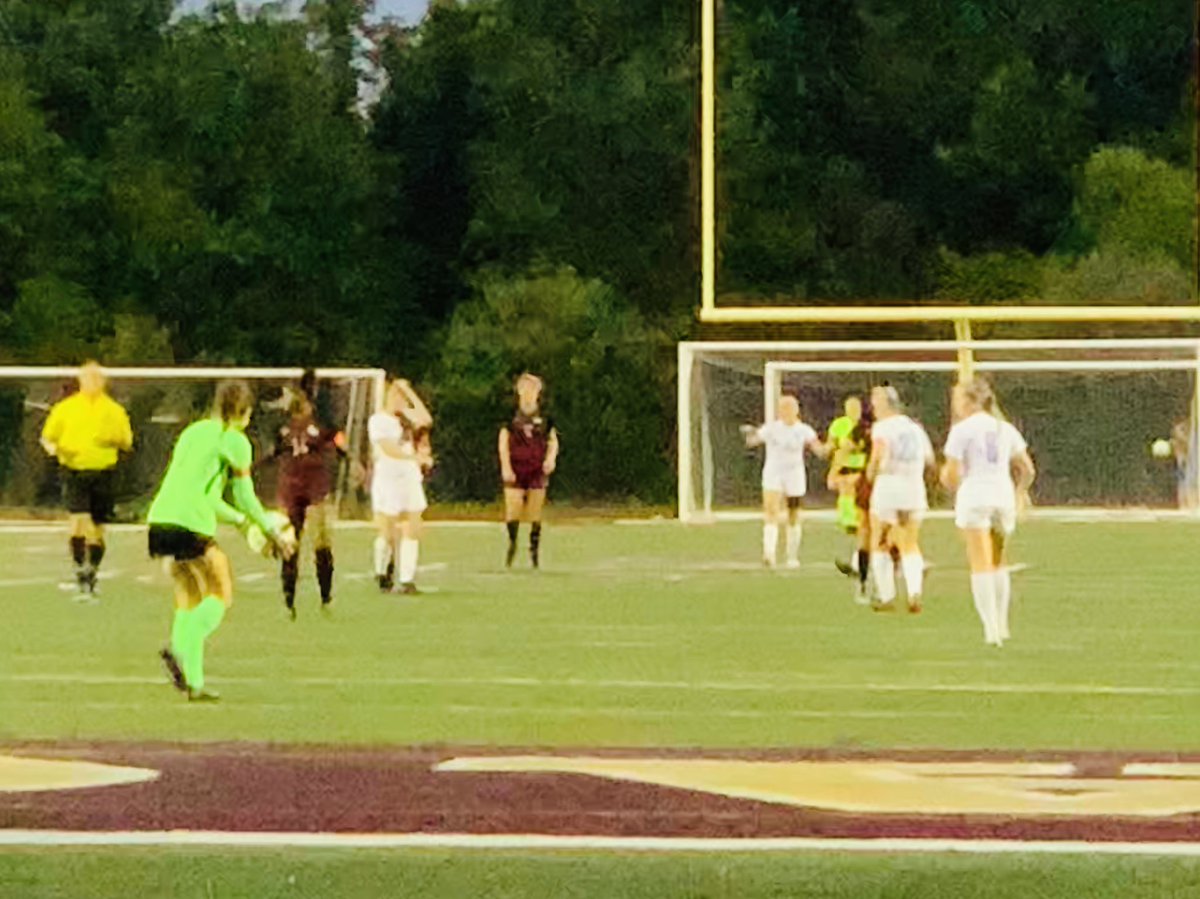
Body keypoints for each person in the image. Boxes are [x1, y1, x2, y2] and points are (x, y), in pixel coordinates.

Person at [148, 380, 293, 702]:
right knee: (220, 592)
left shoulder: (194, 432)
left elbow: (208, 496)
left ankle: (193, 682)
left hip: (159, 519)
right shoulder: (235, 441)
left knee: (188, 596)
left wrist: (243, 524)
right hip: (190, 523)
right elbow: (245, 496)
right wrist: (269, 531)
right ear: (245, 410)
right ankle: (179, 651)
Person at [940, 379, 1036, 647]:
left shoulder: (962, 430)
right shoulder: (1004, 428)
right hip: (1002, 495)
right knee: (998, 562)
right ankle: (1003, 625)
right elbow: (1027, 469)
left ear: (969, 401)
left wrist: (945, 479)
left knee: (979, 562)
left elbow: (952, 474)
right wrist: (1020, 492)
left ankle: (990, 630)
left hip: (975, 495)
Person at [39, 361, 134, 600]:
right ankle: (80, 569)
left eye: (96, 378)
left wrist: (112, 439)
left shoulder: (114, 411)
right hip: (74, 472)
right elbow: (47, 438)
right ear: (80, 382)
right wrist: (54, 449)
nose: (92, 383)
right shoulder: (65, 409)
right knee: (78, 522)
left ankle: (93, 572)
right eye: (87, 378)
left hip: (104, 472)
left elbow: (127, 441)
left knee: (97, 528)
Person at [272, 392, 347, 619]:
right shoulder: (282, 427)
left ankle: (325, 599)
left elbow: (340, 444)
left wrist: (345, 455)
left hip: (315, 489)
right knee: (290, 545)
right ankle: (289, 602)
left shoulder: (322, 425)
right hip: (292, 490)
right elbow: (274, 452)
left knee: (320, 543)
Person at [865, 385, 935, 613]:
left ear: (885, 404)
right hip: (913, 488)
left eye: (876, 402)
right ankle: (915, 592)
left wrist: (870, 473)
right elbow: (930, 460)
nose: (873, 407)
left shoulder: (882, 428)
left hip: (889, 487)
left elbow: (878, 455)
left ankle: (887, 596)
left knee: (880, 540)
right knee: (910, 541)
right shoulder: (915, 428)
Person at [742, 394, 828, 568]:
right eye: (783, 408)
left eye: (790, 408)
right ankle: (769, 554)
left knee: (793, 513)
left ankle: (792, 555)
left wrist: (832, 446)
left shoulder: (804, 430)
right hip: (773, 473)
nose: (786, 411)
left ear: (796, 410)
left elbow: (819, 450)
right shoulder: (771, 428)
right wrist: (749, 434)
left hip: (794, 475)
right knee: (771, 510)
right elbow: (753, 441)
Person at [369, 379, 432, 594]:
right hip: (388, 479)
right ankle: (381, 571)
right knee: (387, 531)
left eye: (401, 397)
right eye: (395, 396)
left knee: (413, 526)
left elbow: (425, 419)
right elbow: (388, 449)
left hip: (409, 478)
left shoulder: (407, 418)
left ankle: (407, 580)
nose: (399, 401)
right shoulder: (378, 420)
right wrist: (415, 457)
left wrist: (409, 391)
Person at [498, 373, 559, 569]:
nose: (528, 393)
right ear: (518, 391)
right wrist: (505, 466)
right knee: (513, 510)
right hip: (516, 468)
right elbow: (503, 441)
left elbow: (553, 441)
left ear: (538, 392)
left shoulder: (545, 416)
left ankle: (534, 553)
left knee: (535, 512)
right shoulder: (510, 415)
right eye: (525, 389)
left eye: (533, 389)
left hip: (536, 469)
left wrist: (551, 459)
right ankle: (512, 544)